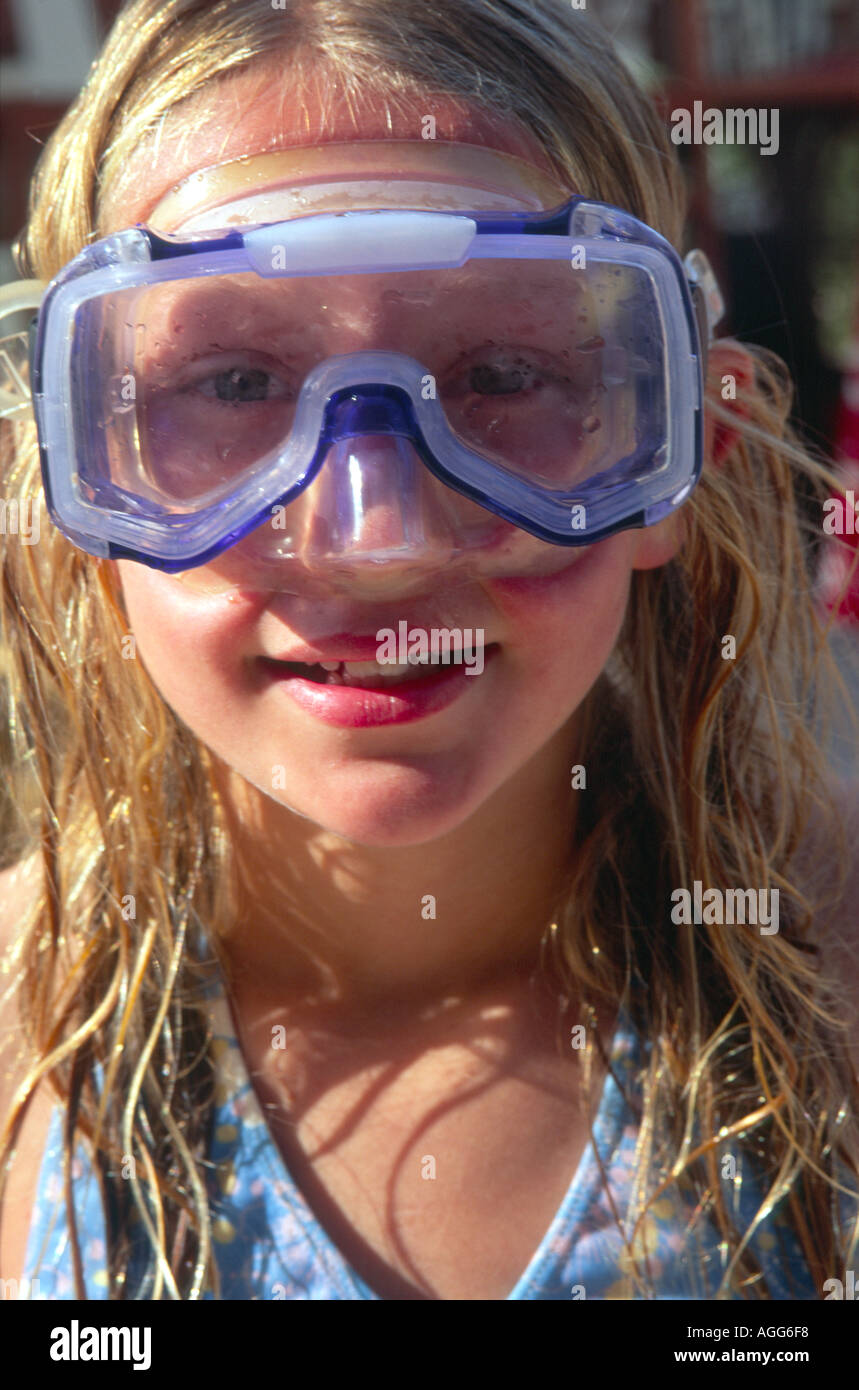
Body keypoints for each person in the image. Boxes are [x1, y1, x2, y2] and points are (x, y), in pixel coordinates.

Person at [0, 0, 856, 1303]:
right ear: (70, 478)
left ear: (683, 453)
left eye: (506, 372)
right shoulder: (19, 1037)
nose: (376, 540)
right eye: (233, 386)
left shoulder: (837, 974)